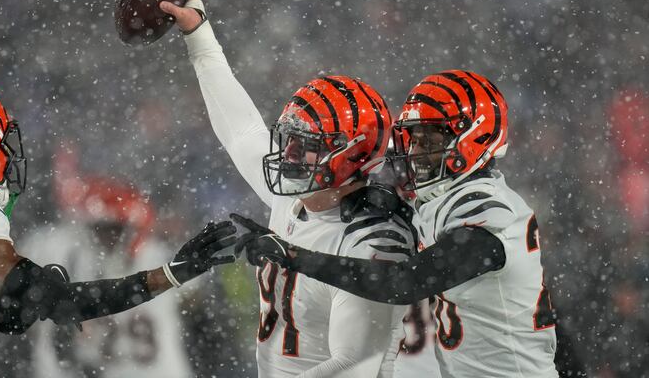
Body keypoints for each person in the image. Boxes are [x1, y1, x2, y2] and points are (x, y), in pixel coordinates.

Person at [0, 83, 236, 378]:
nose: (8, 154)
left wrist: (25, 296)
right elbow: (63, 303)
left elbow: (4, 314)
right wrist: (169, 274)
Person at [161, 0, 416, 377]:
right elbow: (241, 129)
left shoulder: (374, 239)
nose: (290, 153)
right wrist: (198, 35)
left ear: (351, 154)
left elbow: (357, 363)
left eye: (306, 144)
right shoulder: (297, 199)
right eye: (289, 138)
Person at [234, 70, 560, 377]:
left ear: (476, 137)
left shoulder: (488, 209)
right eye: (413, 140)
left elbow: (404, 283)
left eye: (429, 142)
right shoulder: (446, 197)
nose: (416, 153)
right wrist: (386, 200)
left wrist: (294, 256)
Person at [21, 154, 192, 378]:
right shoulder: (68, 258)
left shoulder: (157, 258)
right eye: (101, 230)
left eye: (114, 231)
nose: (107, 239)